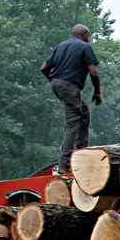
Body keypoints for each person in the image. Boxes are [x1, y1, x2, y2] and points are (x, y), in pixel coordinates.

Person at [41, 24, 102, 174]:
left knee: (84, 111)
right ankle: (64, 165)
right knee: (73, 123)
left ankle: (81, 150)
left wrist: (55, 81)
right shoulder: (84, 47)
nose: (89, 39)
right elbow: (93, 72)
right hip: (69, 87)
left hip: (58, 84)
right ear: (83, 34)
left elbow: (43, 68)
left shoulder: (61, 45)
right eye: (88, 36)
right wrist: (98, 92)